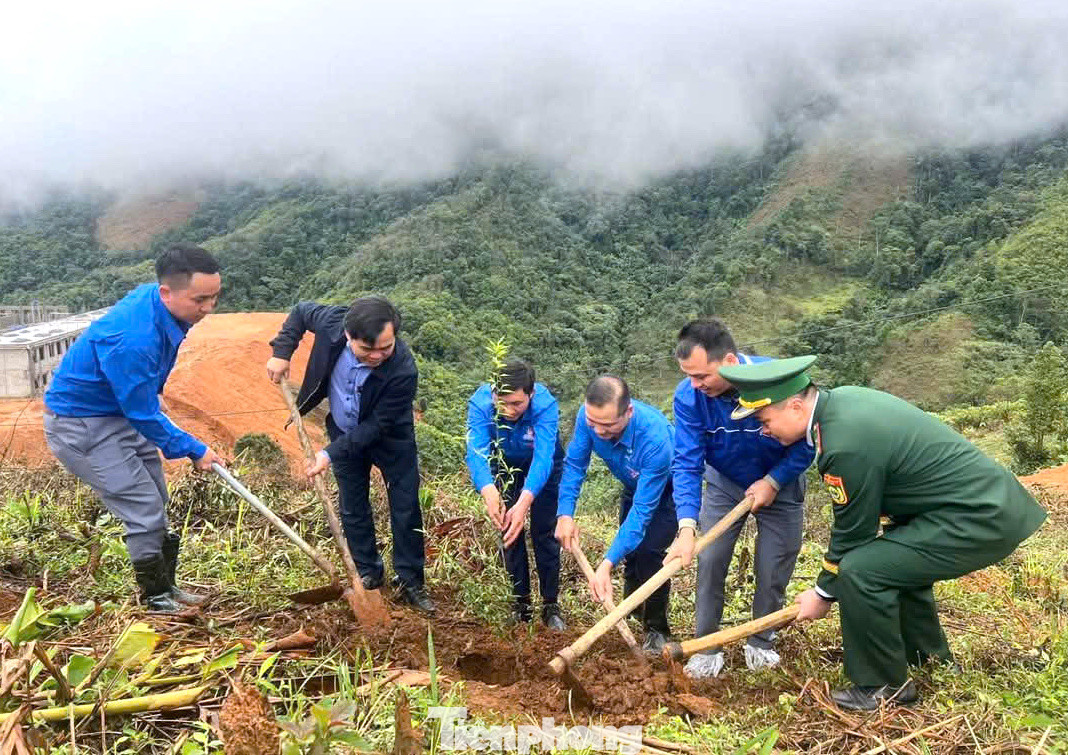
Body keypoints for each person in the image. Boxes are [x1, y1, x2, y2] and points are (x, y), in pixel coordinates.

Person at [721, 355, 1047, 711]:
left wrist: (823, 593)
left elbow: (853, 533)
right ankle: (928, 660)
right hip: (979, 506)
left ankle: (882, 685)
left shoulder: (844, 443)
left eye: (765, 420)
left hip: (978, 517)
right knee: (893, 562)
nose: (764, 430)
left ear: (796, 407)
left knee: (861, 570)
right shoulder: (842, 404)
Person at [43, 243, 225, 613]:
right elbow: (142, 413)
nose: (209, 308)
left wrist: (152, 393)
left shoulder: (158, 303)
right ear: (166, 292)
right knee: (143, 507)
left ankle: (168, 587)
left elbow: (142, 401)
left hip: (119, 411)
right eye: (200, 300)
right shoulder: (134, 339)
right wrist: (195, 449)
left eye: (215, 297)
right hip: (84, 424)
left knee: (157, 496)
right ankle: (155, 598)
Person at [666, 319, 813, 679]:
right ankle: (705, 646)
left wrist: (774, 481)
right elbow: (687, 462)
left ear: (729, 362)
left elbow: (810, 436)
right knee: (711, 558)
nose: (695, 385)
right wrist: (686, 526)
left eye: (702, 376)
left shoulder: (777, 378)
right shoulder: (689, 397)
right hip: (725, 481)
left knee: (773, 564)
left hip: (781, 479)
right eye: (689, 376)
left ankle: (761, 641)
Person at [265, 296, 432, 613]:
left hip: (390, 439)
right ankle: (368, 572)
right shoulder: (331, 322)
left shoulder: (403, 370)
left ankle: (410, 581)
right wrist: (281, 353)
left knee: (406, 506)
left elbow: (378, 425)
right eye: (367, 349)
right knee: (353, 505)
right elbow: (300, 311)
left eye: (385, 348)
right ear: (347, 335)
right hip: (342, 429)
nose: (377, 356)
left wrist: (329, 454)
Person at [555, 376, 677, 654]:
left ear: (628, 412)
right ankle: (632, 609)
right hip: (633, 485)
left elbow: (642, 512)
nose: (599, 431)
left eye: (608, 425)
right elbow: (575, 465)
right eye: (593, 422)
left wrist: (606, 565)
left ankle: (656, 629)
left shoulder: (655, 440)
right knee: (631, 552)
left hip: (669, 491)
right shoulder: (588, 418)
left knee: (649, 553)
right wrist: (565, 514)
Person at [466, 359, 565, 629]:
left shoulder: (545, 406)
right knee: (509, 530)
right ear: (493, 393)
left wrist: (524, 502)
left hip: (544, 467)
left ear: (531, 394)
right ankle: (520, 604)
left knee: (545, 532)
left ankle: (550, 604)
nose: (509, 410)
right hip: (505, 466)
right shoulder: (481, 405)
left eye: (517, 404)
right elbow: (476, 452)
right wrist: (488, 489)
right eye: (503, 403)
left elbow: (544, 457)